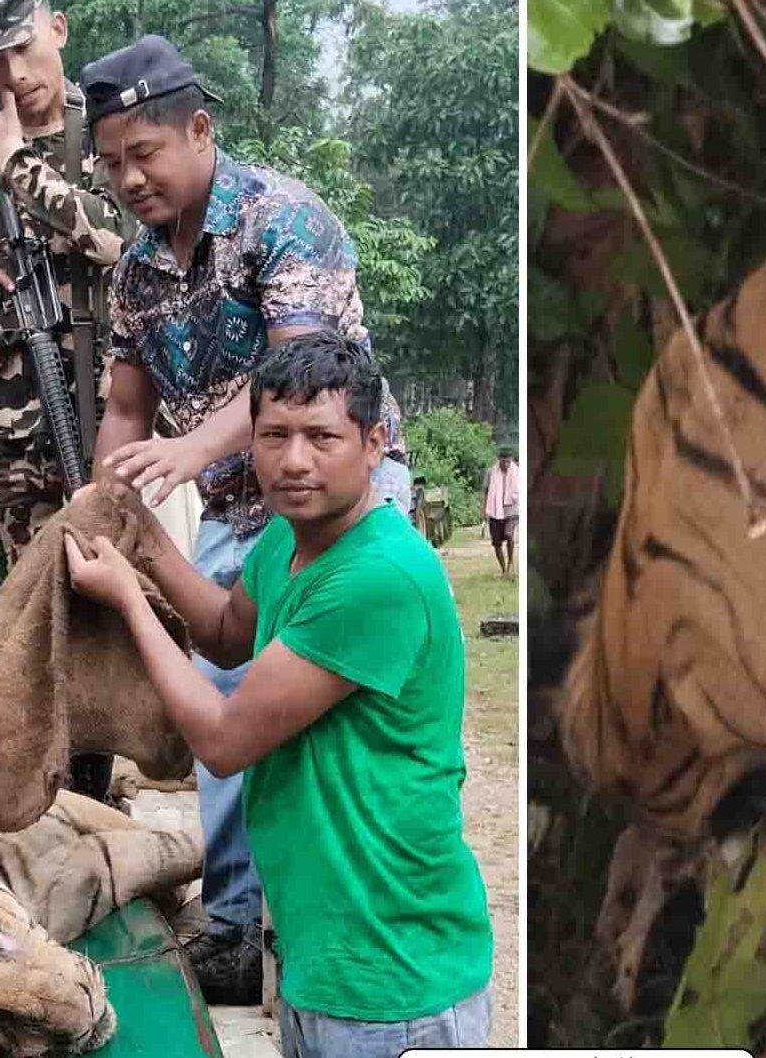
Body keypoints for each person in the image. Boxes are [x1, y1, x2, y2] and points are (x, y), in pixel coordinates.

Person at [80, 33, 413, 1004]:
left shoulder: (283, 221)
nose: (129, 178)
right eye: (109, 165)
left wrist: (188, 453)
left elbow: (295, 381)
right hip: (238, 511)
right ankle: (233, 926)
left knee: (323, 734)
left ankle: (343, 924)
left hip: (340, 499)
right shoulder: (138, 270)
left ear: (197, 128)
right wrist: (110, 503)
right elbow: (127, 408)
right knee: (227, 699)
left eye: (144, 154)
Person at [63, 332, 491, 1054]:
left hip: (392, 978)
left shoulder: (375, 577)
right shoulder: (290, 542)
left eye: (322, 436)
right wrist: (141, 536)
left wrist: (128, 603)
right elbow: (227, 633)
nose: (294, 461)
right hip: (320, 959)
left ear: (375, 441)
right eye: (274, 436)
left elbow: (225, 742)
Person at [0, 0, 129, 802]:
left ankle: (91, 805)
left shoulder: (114, 123)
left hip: (102, 416)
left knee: (99, 618)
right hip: (16, 426)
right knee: (10, 624)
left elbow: (114, 238)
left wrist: (16, 162)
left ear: (58, 28)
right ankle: (14, 805)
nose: (13, 78)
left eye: (21, 50)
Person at [484, 444, 518, 579]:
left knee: (509, 534)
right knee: (496, 542)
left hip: (512, 509)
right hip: (495, 509)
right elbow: (486, 491)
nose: (506, 464)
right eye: (504, 461)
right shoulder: (491, 472)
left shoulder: (517, 472)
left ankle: (510, 564)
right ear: (499, 461)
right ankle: (504, 570)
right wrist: (483, 510)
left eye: (509, 461)